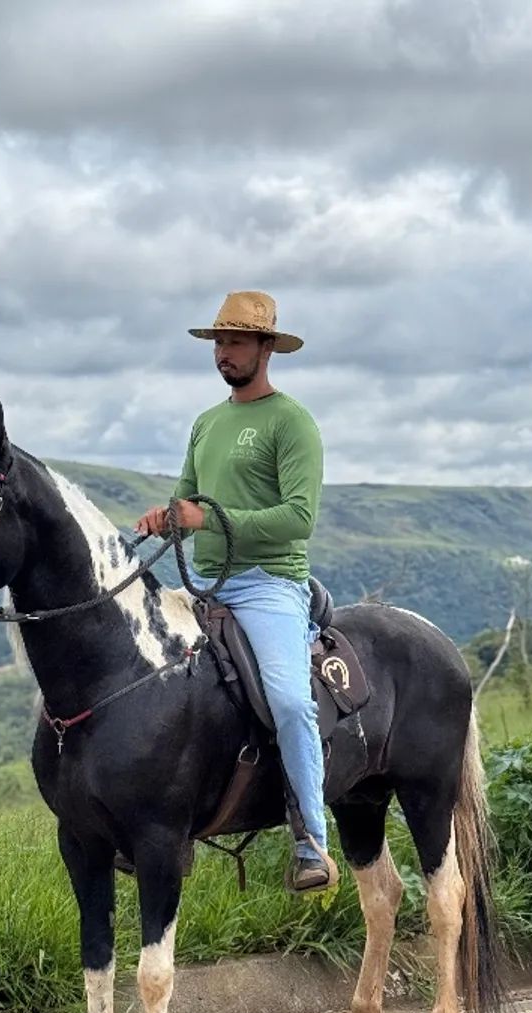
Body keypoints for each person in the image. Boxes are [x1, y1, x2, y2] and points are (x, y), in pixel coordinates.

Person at [136, 291, 338, 893]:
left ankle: (312, 841)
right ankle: (170, 824)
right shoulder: (207, 423)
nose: (224, 353)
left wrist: (209, 520)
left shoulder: (291, 421)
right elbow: (187, 500)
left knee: (291, 700)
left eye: (237, 342)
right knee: (150, 680)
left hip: (268, 584)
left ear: (266, 348)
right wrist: (166, 518)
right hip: (201, 583)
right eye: (219, 342)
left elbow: (298, 519)